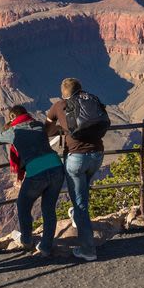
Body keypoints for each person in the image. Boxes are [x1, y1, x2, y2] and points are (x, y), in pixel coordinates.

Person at [46, 78, 108, 261]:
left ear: (63, 93)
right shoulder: (91, 99)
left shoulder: (59, 106)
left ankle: (88, 250)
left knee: (80, 204)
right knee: (82, 195)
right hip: (97, 155)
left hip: (76, 159)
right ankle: (76, 216)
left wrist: (59, 127)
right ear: (81, 90)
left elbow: (47, 130)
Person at [0, 105, 65, 256]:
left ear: (13, 117)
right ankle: (45, 246)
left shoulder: (14, 131)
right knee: (49, 208)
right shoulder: (38, 124)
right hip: (56, 166)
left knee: (23, 204)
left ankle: (26, 240)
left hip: (37, 172)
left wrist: (8, 126)